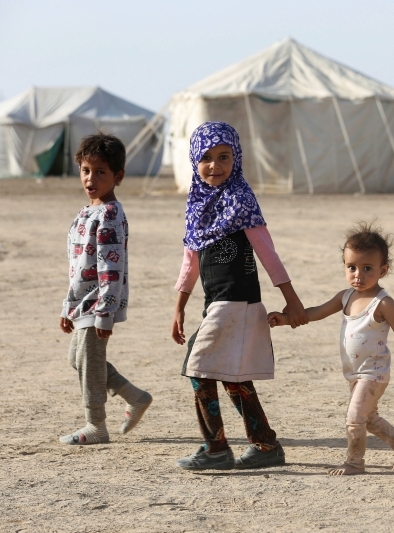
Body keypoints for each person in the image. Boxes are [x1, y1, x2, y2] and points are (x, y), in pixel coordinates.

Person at [171, 121, 307, 471]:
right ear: (194, 161)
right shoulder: (197, 208)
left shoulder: (241, 200)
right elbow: (190, 263)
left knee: (198, 367)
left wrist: (292, 300)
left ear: (237, 158)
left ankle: (215, 449)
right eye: (206, 158)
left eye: (224, 156)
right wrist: (179, 308)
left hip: (237, 301)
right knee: (233, 375)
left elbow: (268, 254)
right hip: (217, 303)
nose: (215, 165)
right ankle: (266, 446)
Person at [268, 223, 394, 475]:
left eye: (367, 268)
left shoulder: (383, 303)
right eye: (352, 267)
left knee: (354, 417)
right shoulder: (345, 297)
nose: (358, 274)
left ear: (383, 270)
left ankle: (354, 462)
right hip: (354, 373)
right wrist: (286, 319)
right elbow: (315, 312)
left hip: (374, 373)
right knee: (368, 418)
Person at [59, 132, 152, 445]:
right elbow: (77, 266)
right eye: (86, 170)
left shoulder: (110, 214)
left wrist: (105, 312)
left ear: (118, 176)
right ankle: (134, 396)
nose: (91, 178)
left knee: (89, 362)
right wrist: (68, 307)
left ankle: (96, 425)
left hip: (98, 303)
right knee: (79, 359)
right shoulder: (86, 212)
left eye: (100, 172)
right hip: (82, 302)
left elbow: (111, 268)